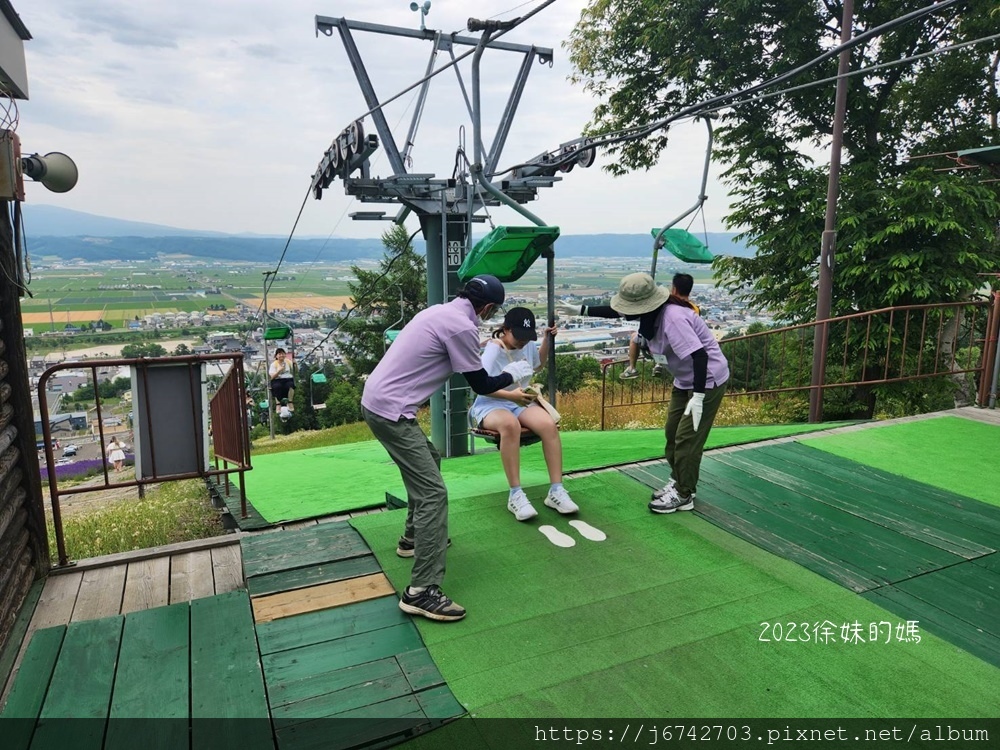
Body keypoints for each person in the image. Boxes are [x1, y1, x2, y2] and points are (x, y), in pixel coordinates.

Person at [361, 274, 533, 623]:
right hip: (391, 412)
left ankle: (412, 539)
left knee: (430, 460)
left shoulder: (441, 313)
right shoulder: (461, 328)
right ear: (487, 308)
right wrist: (513, 372)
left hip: (379, 404)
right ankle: (421, 591)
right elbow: (481, 383)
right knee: (434, 495)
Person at [608, 272, 729, 513]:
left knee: (687, 439)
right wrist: (582, 310)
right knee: (672, 432)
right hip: (684, 380)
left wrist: (698, 397)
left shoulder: (673, 318)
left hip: (707, 380)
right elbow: (612, 311)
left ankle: (685, 493)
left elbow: (700, 355)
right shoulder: (651, 314)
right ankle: (679, 480)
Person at [470, 307, 579, 522]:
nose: (522, 342)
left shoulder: (527, 344)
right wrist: (512, 397)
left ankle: (556, 490)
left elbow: (537, 365)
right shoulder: (493, 349)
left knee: (548, 425)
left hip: (519, 401)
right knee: (510, 426)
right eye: (518, 336)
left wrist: (547, 340)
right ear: (506, 329)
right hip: (491, 403)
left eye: (526, 337)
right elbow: (479, 386)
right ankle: (516, 495)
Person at [268, 348, 295, 414]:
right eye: (279, 354)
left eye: (283, 354)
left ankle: (290, 402)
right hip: (277, 379)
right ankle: (278, 403)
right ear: (276, 356)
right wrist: (279, 370)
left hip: (287, 379)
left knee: (291, 385)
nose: (281, 355)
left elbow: (295, 371)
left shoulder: (288, 362)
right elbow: (272, 377)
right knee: (277, 387)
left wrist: (295, 364)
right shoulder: (274, 364)